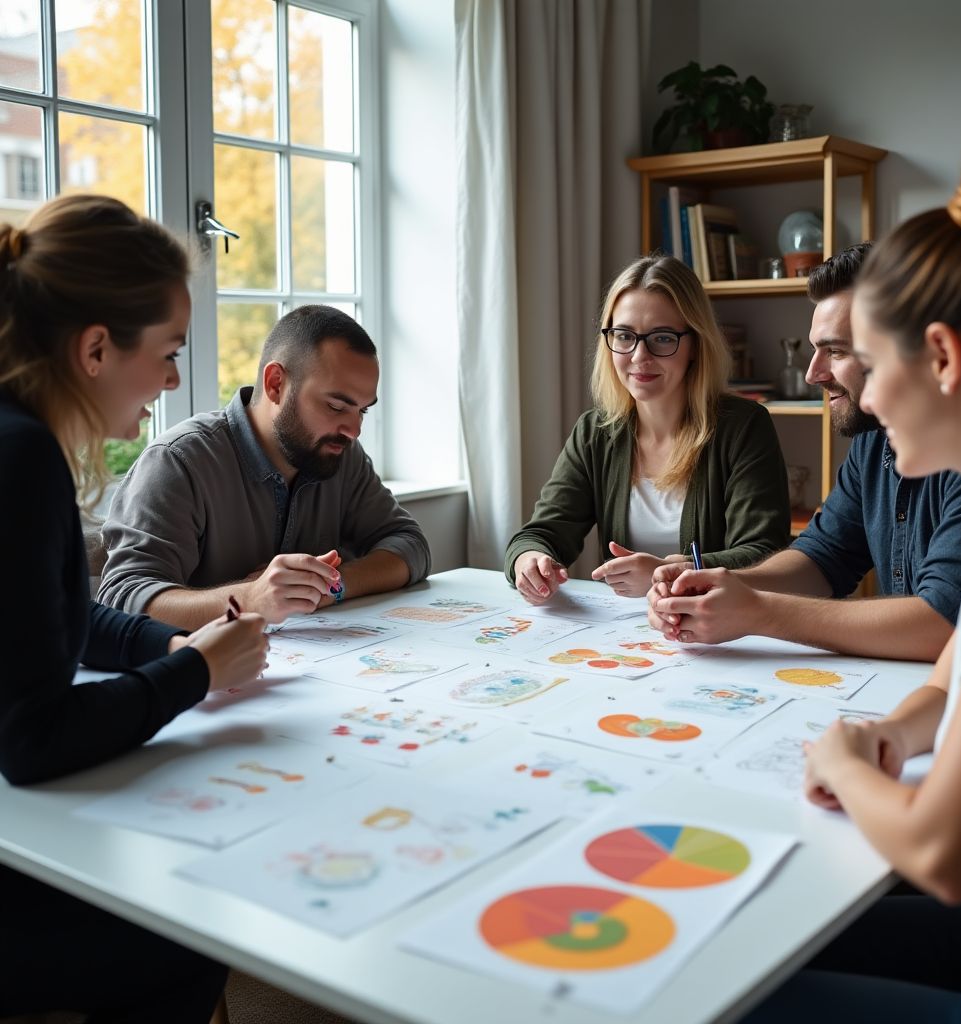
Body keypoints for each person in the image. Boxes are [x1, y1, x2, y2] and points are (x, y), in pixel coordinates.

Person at [746, 144, 961, 1022]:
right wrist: (898, 730)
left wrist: (843, 763)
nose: (861, 400)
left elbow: (945, 851)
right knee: (749, 936)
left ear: (940, 357)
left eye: (866, 361)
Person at [0, 195, 267, 1022]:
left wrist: (183, 643)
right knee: (186, 917)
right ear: (94, 348)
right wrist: (191, 673)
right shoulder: (22, 457)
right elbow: (31, 741)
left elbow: (59, 618)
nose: (175, 381)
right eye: (169, 352)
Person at [647, 243, 961, 661]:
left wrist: (758, 611)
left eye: (838, 351)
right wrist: (724, 585)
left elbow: (944, 625)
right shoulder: (874, 438)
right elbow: (823, 557)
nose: (813, 373)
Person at [98, 304, 431, 631]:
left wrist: (331, 586)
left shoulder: (340, 453)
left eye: (362, 411)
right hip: (203, 675)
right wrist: (252, 599)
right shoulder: (179, 461)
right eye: (335, 406)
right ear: (275, 384)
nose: (354, 430)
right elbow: (121, 599)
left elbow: (410, 544)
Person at [505, 254, 791, 604]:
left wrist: (666, 572)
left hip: (719, 631)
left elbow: (764, 553)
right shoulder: (595, 432)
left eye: (662, 338)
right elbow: (542, 532)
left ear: (695, 346)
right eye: (624, 336)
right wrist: (529, 560)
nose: (640, 356)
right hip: (625, 635)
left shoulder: (743, 427)